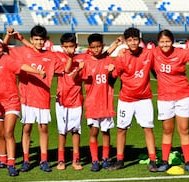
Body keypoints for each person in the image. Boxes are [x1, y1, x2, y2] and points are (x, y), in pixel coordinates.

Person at [0, 34, 46, 176]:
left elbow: (22, 66)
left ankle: (11, 164)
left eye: (0, 47)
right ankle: (2, 160)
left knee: (8, 132)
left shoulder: (7, 60)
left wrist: (38, 71)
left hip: (11, 102)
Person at [153, 29, 189, 173]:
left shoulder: (181, 52)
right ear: (158, 42)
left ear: (172, 41)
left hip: (183, 96)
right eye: (162, 41)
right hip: (165, 98)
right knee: (167, 130)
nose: (165, 44)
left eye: (167, 41)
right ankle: (165, 161)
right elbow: (139, 55)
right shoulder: (153, 52)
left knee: (184, 130)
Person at [11, 25, 64, 172]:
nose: (39, 42)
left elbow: (65, 69)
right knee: (27, 128)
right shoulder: (23, 52)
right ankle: (26, 160)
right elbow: (3, 49)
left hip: (43, 98)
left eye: (41, 40)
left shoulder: (51, 57)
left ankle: (44, 160)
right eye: (36, 39)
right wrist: (17, 38)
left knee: (43, 129)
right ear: (31, 39)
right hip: (27, 98)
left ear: (45, 40)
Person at [108, 27, 158, 172]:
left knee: (148, 129)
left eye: (135, 39)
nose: (133, 43)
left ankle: (153, 160)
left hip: (144, 99)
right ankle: (119, 160)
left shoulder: (149, 54)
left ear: (139, 39)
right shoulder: (122, 56)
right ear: (126, 42)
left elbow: (157, 71)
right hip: (126, 99)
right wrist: (110, 71)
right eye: (129, 40)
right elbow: (112, 79)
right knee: (121, 129)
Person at [81, 33, 117, 172]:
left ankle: (106, 159)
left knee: (106, 131)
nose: (96, 49)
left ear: (102, 46)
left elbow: (113, 79)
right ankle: (95, 160)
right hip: (92, 103)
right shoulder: (86, 62)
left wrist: (111, 72)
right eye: (93, 47)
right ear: (89, 48)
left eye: (99, 46)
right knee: (94, 132)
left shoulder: (108, 60)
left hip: (106, 102)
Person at [53, 33, 87, 171]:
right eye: (65, 47)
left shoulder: (82, 58)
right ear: (62, 47)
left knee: (76, 130)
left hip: (76, 99)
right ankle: (61, 159)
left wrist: (117, 47)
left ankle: (76, 158)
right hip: (62, 99)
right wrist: (73, 62)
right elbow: (66, 70)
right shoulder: (58, 57)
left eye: (71, 46)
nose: (68, 49)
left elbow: (100, 55)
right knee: (62, 131)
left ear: (76, 46)